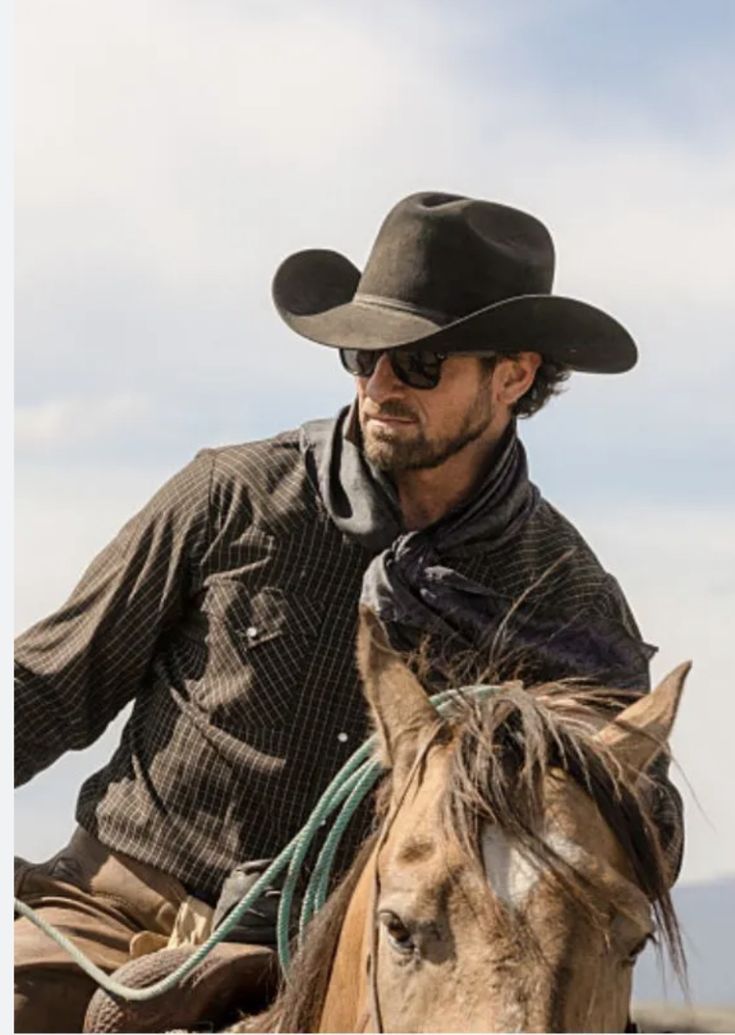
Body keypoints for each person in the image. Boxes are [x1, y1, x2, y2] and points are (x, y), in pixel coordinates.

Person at [14, 191, 682, 1032]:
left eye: (422, 362)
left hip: (385, 955)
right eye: (362, 358)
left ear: (513, 374)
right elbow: (39, 689)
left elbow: (642, 822)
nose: (380, 383)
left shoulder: (566, 595)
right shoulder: (234, 496)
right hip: (120, 913)